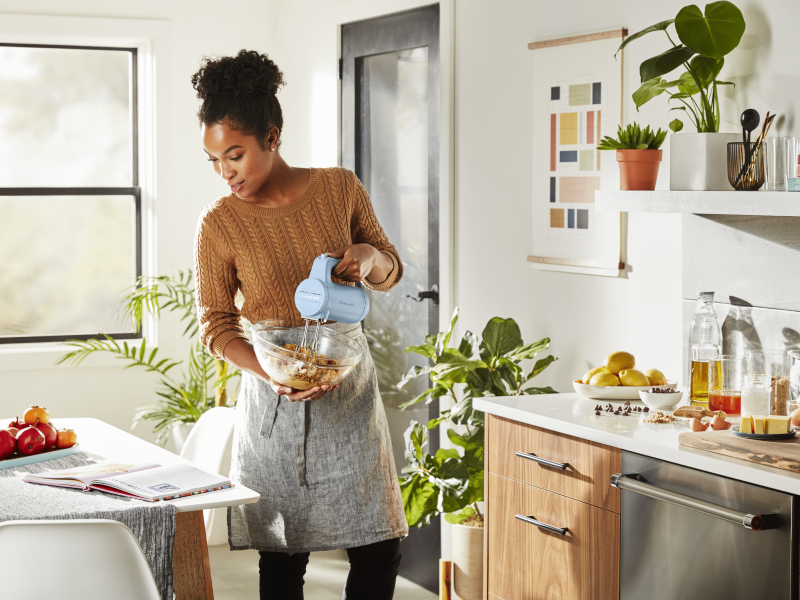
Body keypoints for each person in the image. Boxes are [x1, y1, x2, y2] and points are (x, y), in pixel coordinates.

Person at [191, 49, 407, 600]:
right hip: (272, 397)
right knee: (284, 558)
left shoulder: (339, 189)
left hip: (348, 391)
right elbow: (215, 325)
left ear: (273, 136)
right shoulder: (218, 223)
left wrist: (366, 253)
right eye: (215, 161)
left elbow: (389, 267)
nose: (226, 172)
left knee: (379, 546)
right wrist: (270, 370)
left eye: (234, 154)